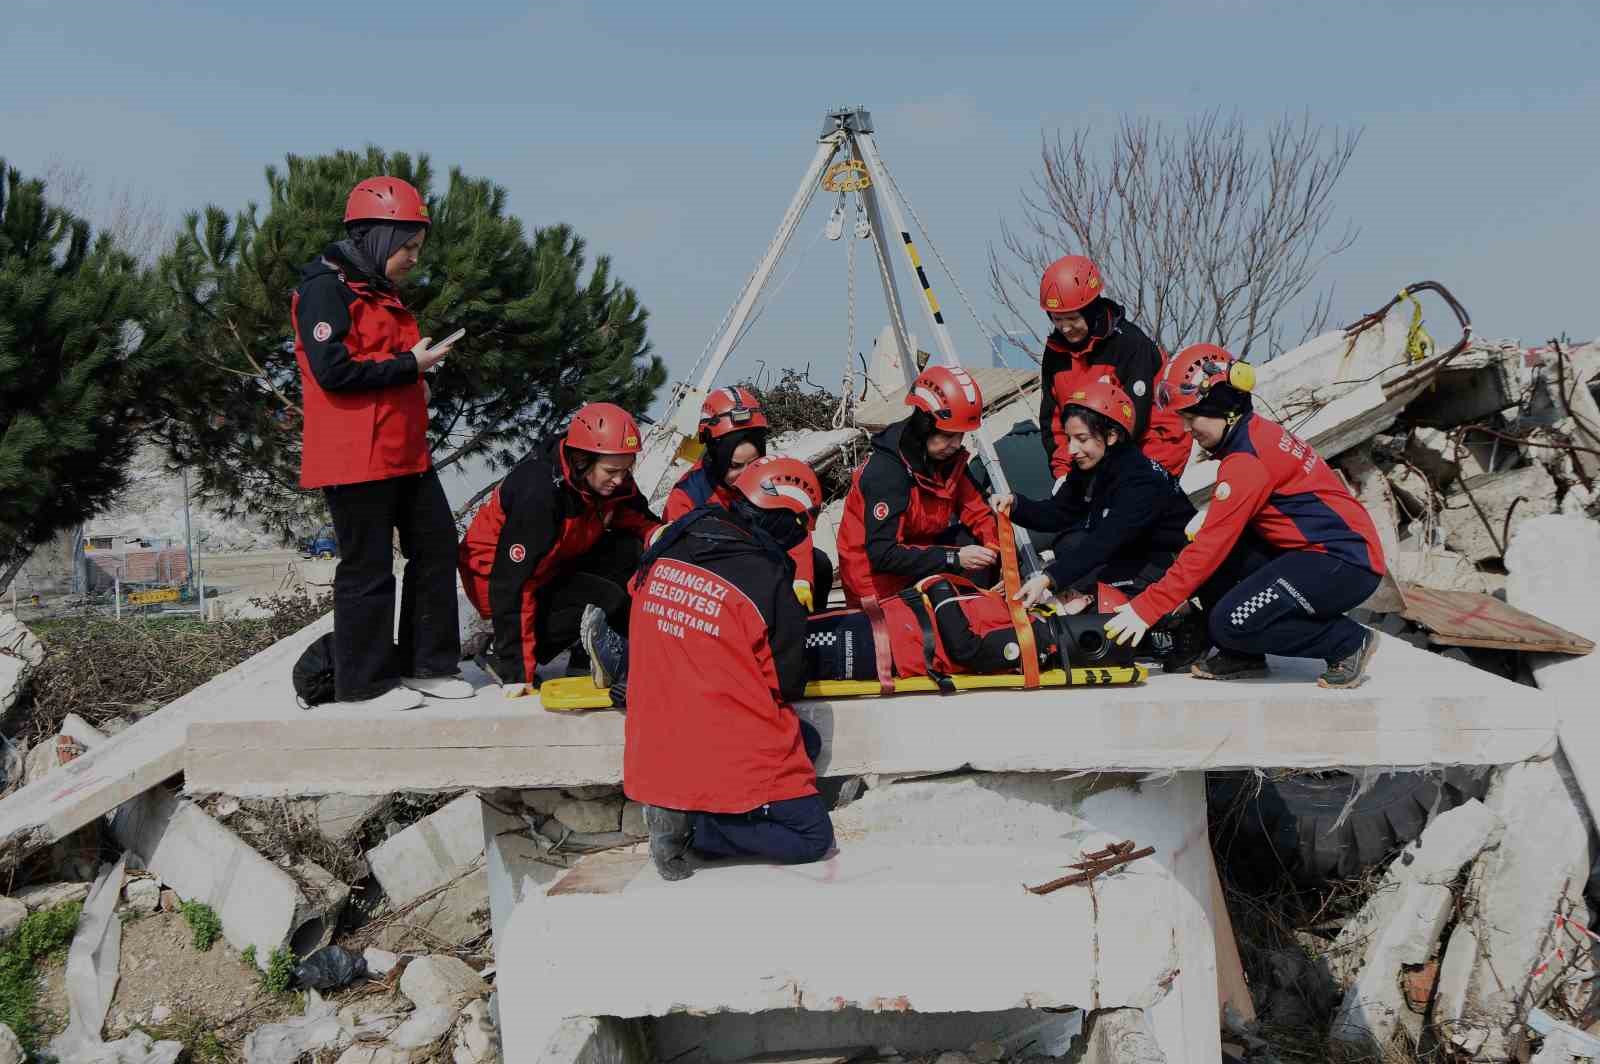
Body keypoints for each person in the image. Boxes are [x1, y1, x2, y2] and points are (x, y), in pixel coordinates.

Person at [1102, 344, 1387, 689]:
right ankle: (1243, 653)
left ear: (1222, 407)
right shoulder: (1253, 434)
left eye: (1192, 418)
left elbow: (1211, 546)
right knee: (1211, 554)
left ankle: (1346, 641)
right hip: (1320, 552)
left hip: (1343, 563)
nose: (1187, 429)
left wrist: (1147, 608)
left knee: (1230, 622)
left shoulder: (1247, 460)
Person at [294, 176, 468, 712]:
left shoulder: (379, 291)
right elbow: (333, 370)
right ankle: (363, 684)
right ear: (375, 236)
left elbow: (384, 363)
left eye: (417, 247)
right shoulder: (325, 289)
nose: (414, 257)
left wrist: (418, 371)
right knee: (367, 566)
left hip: (404, 450)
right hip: (356, 455)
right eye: (407, 246)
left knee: (436, 547)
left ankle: (427, 665)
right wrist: (408, 366)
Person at [617, 456, 833, 881]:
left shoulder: (677, 537)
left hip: (655, 738)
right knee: (812, 836)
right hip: (721, 734)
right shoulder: (768, 578)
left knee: (805, 741)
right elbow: (787, 684)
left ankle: (695, 806)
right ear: (786, 520)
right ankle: (699, 829)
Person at [989, 378, 1205, 672]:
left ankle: (1182, 620)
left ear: (1112, 435)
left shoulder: (1139, 480)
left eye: (1081, 438)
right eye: (1069, 439)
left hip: (1172, 564)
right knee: (1068, 545)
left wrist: (1047, 579)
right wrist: (1016, 504)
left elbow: (1104, 541)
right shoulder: (1092, 466)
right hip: (1134, 554)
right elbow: (1058, 513)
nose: (1072, 449)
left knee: (1082, 580)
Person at [457, 402, 659, 693]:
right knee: (607, 597)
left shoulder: (608, 480)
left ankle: (592, 654)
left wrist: (659, 533)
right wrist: (518, 672)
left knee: (632, 548)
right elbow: (512, 584)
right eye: (612, 471)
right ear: (581, 460)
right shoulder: (539, 493)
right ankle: (500, 654)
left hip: (549, 567)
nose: (620, 480)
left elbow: (637, 516)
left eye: (627, 470)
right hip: (498, 583)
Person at [836, 365, 1000, 606]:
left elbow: (978, 511)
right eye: (948, 436)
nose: (956, 444)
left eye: (960, 436)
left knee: (976, 546)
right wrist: (953, 558)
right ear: (924, 426)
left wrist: (995, 550)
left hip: (921, 558)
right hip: (877, 583)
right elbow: (882, 554)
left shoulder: (947, 460)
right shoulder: (888, 474)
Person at [663, 386, 833, 609]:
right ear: (717, 456)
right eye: (735, 465)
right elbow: (678, 566)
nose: (745, 474)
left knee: (818, 563)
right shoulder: (687, 496)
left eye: (752, 463)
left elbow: (793, 532)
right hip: (717, 588)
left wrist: (801, 581)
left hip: (763, 565)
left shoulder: (771, 477)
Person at [1037, 255, 1191, 478]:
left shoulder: (1130, 344)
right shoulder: (1055, 355)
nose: (1066, 328)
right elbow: (1054, 423)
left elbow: (1133, 421)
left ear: (1090, 311)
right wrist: (1064, 476)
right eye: (1057, 320)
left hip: (1154, 449)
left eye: (1072, 319)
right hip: (1097, 457)